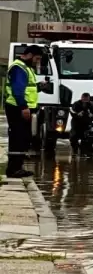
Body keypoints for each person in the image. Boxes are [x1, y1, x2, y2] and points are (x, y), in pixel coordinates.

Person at [4, 45, 45, 178]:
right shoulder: (19, 68)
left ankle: (18, 167)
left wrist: (39, 87)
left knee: (23, 138)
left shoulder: (26, 68)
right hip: (17, 108)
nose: (37, 62)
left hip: (21, 107)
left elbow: (28, 88)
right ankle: (13, 169)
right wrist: (23, 107)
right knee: (17, 138)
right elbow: (17, 90)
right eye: (37, 58)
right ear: (30, 55)